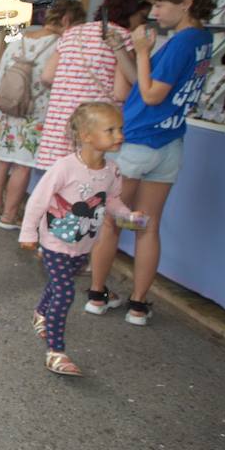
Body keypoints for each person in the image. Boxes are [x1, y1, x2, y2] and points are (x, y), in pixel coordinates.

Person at [87, 0, 214, 326]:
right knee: (148, 226)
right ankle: (139, 305)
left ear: (186, 3)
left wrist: (142, 51)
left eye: (160, 5)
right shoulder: (202, 39)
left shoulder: (181, 42)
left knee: (112, 222)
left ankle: (97, 295)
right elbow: (142, 84)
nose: (154, 12)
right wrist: (123, 50)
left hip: (138, 142)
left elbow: (151, 94)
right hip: (169, 143)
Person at [19, 102, 141, 376]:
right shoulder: (64, 168)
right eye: (110, 130)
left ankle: (41, 312)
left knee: (59, 283)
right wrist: (28, 233)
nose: (119, 135)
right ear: (86, 136)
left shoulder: (111, 170)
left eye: (120, 129)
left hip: (84, 244)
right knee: (65, 292)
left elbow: (111, 200)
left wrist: (128, 216)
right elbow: (38, 201)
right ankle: (56, 352)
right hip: (55, 243)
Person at [0, 0, 85, 228]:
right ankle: (9, 216)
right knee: (22, 165)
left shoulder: (19, 39)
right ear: (67, 20)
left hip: (5, 109)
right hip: (34, 114)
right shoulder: (61, 45)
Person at [34, 0, 135, 172]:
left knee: (57, 179)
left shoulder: (71, 34)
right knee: (86, 180)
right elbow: (122, 93)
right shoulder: (122, 37)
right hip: (96, 125)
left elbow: (47, 76)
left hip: (59, 126)